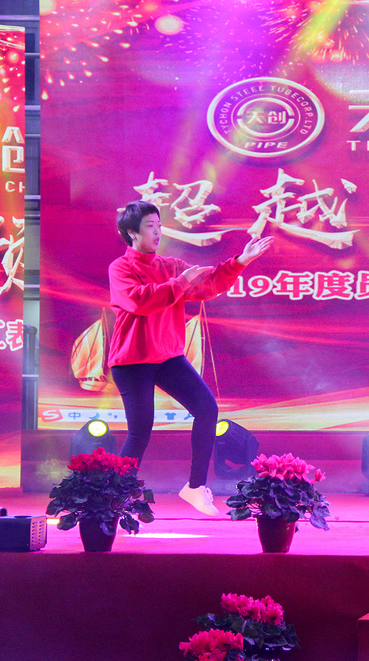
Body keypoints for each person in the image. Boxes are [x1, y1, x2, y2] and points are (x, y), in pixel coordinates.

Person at [108, 200, 273, 515]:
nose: (157, 232)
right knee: (139, 432)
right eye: (149, 226)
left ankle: (195, 487)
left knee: (207, 409)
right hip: (132, 359)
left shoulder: (171, 266)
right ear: (132, 233)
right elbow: (139, 301)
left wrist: (241, 261)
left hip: (167, 356)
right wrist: (179, 284)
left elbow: (208, 282)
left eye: (159, 225)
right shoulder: (121, 268)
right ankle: (116, 496)